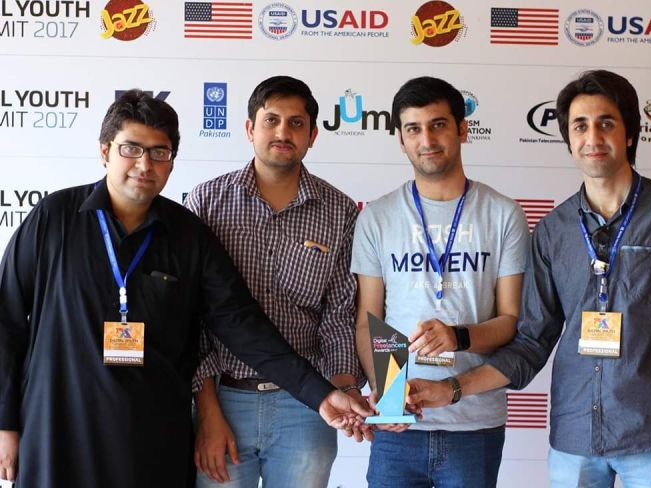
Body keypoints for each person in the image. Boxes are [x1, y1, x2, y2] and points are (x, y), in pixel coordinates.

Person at [0, 90, 370, 488]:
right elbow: (6, 320)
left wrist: (319, 393)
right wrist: (5, 424)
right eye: (131, 148)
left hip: (150, 442)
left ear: (172, 161)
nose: (145, 164)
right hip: (57, 430)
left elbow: (240, 324)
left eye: (159, 152)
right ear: (105, 151)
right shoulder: (54, 218)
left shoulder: (188, 235)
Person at [407, 70, 651, 488]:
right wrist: (451, 388)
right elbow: (530, 342)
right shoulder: (553, 230)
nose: (593, 137)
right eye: (580, 126)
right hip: (573, 441)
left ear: (630, 134)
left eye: (606, 123)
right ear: (569, 140)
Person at [186, 76, 366, 488]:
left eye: (296, 123)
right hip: (223, 400)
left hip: (306, 407)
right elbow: (192, 318)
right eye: (271, 120)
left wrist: (343, 386)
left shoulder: (339, 212)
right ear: (250, 129)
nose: (283, 132)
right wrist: (207, 408)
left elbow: (338, 315)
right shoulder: (206, 202)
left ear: (313, 136)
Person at [351, 76, 530, 487]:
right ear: (401, 140)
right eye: (413, 129)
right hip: (400, 429)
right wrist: (390, 397)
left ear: (462, 129)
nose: (427, 140)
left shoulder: (503, 214)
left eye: (438, 125)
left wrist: (458, 337)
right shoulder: (377, 217)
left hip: (475, 422)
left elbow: (510, 322)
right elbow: (370, 321)